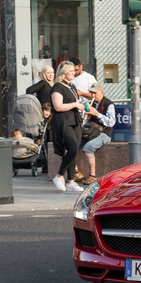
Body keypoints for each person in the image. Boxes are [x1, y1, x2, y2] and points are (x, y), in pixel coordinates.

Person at [50, 61, 85, 193]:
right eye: (71, 71)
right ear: (64, 73)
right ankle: (59, 176)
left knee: (74, 151)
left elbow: (75, 102)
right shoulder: (57, 87)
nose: (73, 73)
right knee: (72, 149)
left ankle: (71, 181)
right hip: (63, 121)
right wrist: (75, 105)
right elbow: (58, 107)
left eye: (74, 71)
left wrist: (81, 106)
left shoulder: (71, 85)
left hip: (74, 120)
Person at [79, 83, 115, 185]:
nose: (93, 95)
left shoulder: (109, 104)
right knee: (73, 143)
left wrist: (97, 114)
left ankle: (92, 175)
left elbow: (111, 122)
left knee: (88, 147)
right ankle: (77, 172)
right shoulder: (92, 103)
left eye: (95, 93)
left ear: (102, 92)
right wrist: (88, 117)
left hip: (104, 133)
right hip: (91, 131)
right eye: (91, 93)